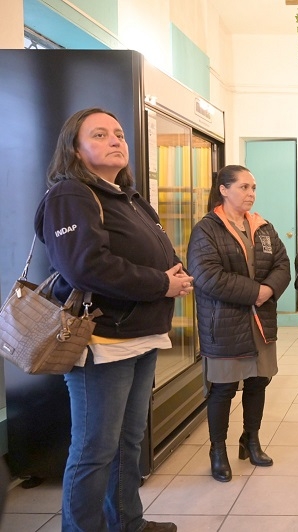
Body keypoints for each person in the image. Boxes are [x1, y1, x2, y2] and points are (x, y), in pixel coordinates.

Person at [34, 107, 193, 532]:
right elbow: (86, 266)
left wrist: (174, 273)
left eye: (119, 134)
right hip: (101, 340)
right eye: (100, 135)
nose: (116, 141)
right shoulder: (71, 194)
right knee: (94, 450)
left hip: (139, 336)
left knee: (127, 443)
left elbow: (153, 250)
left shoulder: (125, 196)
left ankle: (127, 522)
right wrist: (161, 283)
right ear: (75, 148)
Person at [187, 165, 290, 482]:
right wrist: (255, 292)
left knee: (259, 382)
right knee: (223, 389)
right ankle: (218, 451)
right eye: (244, 187)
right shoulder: (207, 229)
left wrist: (270, 289)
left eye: (253, 188)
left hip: (260, 322)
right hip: (225, 324)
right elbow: (207, 277)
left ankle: (251, 440)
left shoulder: (262, 227)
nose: (251, 194)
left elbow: (282, 263)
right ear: (223, 189)